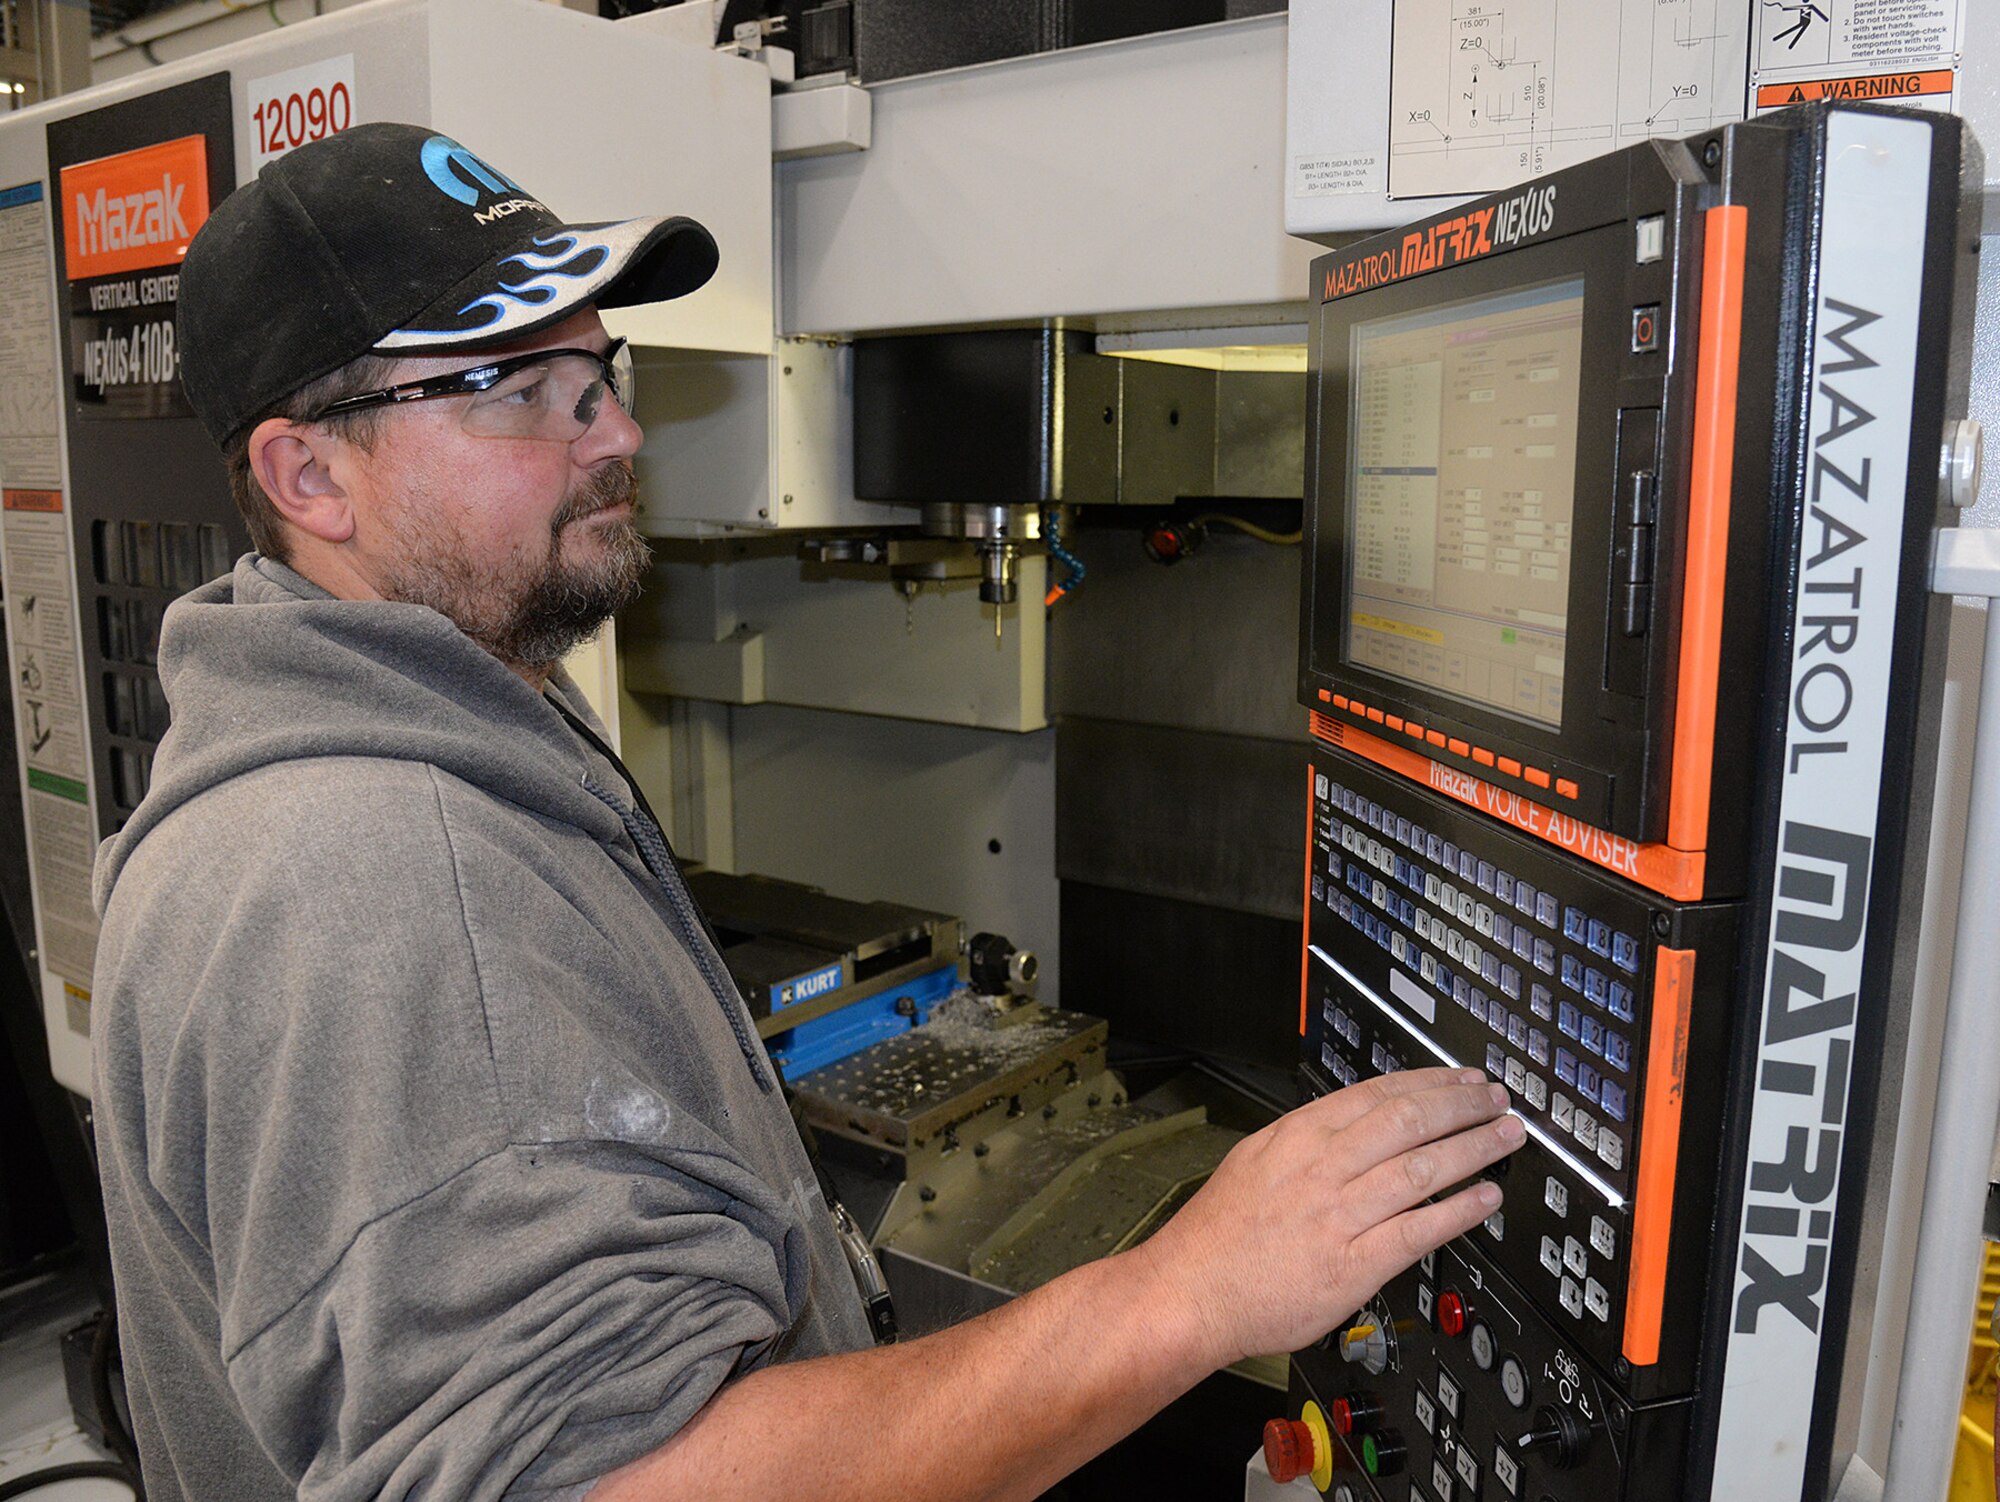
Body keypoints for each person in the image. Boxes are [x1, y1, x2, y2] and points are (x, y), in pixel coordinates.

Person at [90, 122, 1522, 1502]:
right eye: (523, 386)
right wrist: (1195, 1286)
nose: (618, 432)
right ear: (308, 474)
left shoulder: (395, 734)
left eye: (601, 371)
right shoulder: (383, 876)